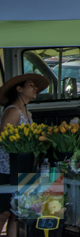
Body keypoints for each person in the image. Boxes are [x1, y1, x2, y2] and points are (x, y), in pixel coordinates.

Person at [0, 74, 49, 237]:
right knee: (4, 212)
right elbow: (3, 140)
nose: (35, 88)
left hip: (24, 167)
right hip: (7, 169)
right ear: (19, 89)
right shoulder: (13, 111)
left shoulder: (28, 114)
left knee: (18, 213)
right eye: (30, 85)